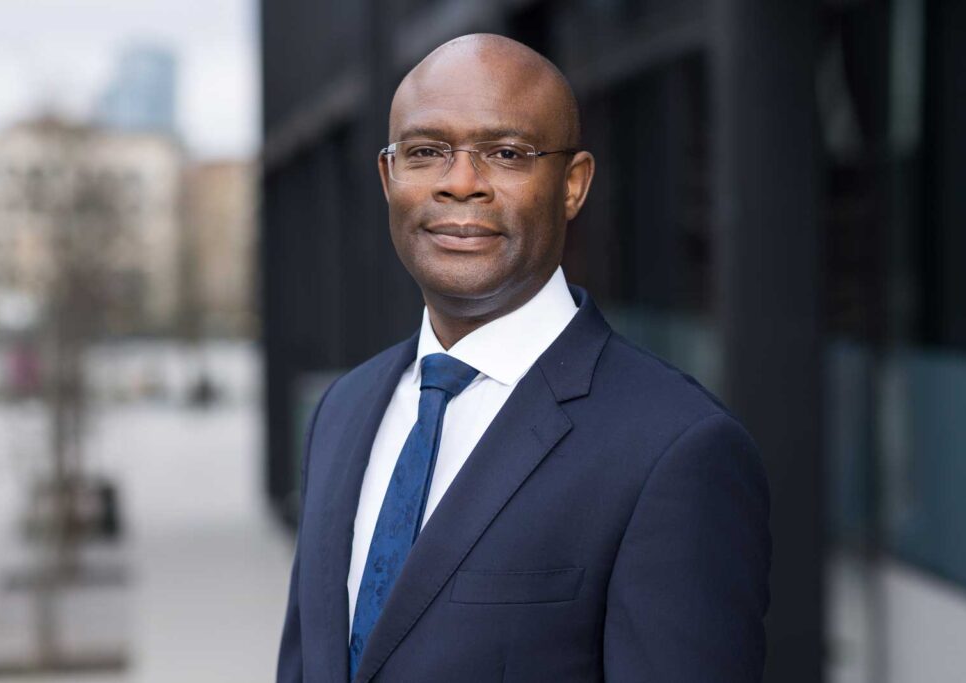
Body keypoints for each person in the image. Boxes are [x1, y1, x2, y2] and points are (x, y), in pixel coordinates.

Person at [276, 34, 770, 683]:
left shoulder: (676, 451)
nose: (460, 183)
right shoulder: (342, 412)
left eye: (506, 153)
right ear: (388, 176)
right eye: (426, 152)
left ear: (572, 185)